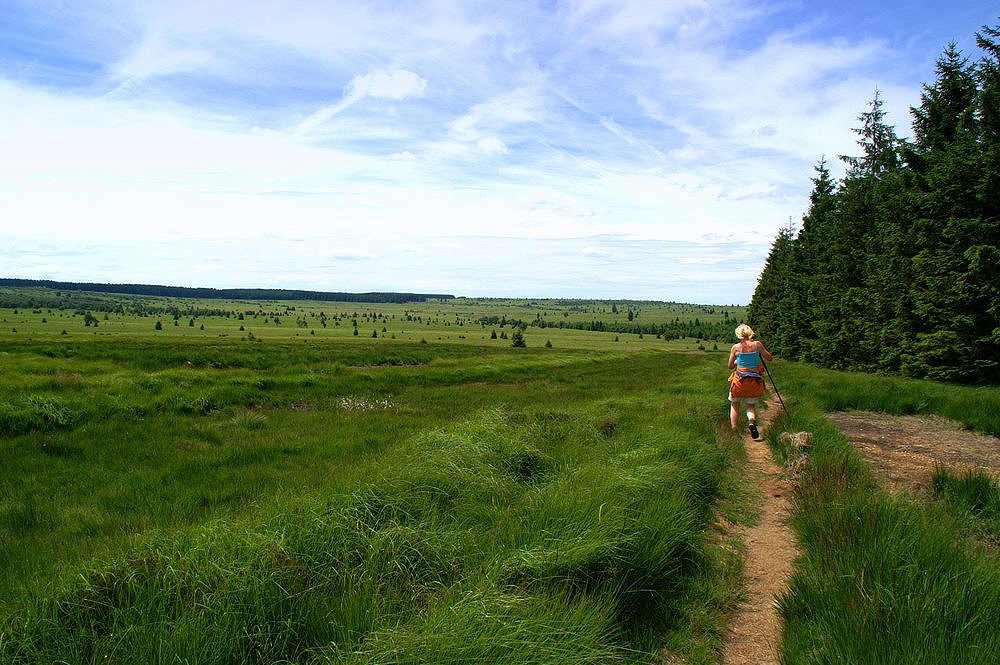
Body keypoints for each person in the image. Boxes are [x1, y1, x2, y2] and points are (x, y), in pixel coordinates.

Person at [727, 323, 773, 440]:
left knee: (735, 405)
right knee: (750, 406)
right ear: (750, 332)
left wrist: (738, 362)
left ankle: (734, 430)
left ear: (739, 334)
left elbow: (730, 366)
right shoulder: (757, 345)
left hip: (739, 381)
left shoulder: (736, 347)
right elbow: (769, 358)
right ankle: (751, 423)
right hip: (754, 381)